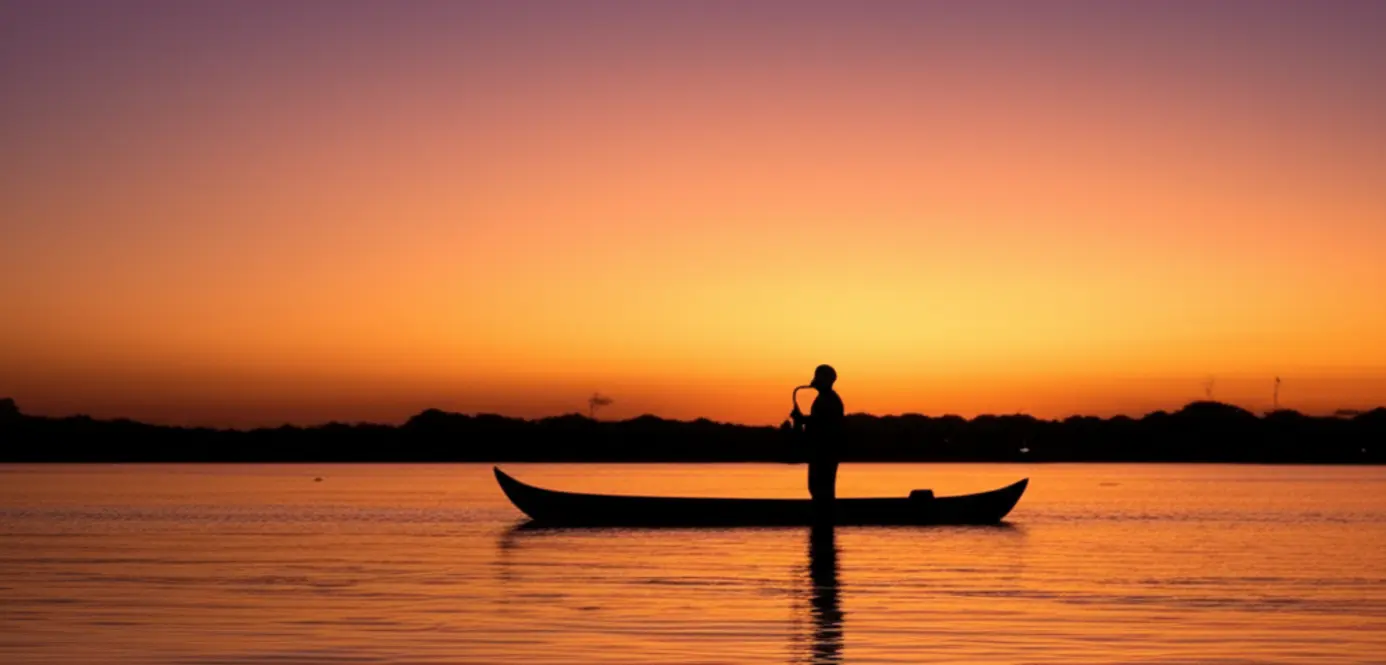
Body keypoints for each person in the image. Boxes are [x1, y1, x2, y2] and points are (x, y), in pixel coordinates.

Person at [791, 364, 845, 512]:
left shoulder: (831, 400)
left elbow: (823, 423)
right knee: (816, 487)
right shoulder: (823, 398)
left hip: (826, 452)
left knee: (822, 488)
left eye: (820, 377)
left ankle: (825, 517)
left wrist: (802, 420)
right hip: (820, 452)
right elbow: (818, 421)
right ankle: (823, 521)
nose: (816, 380)